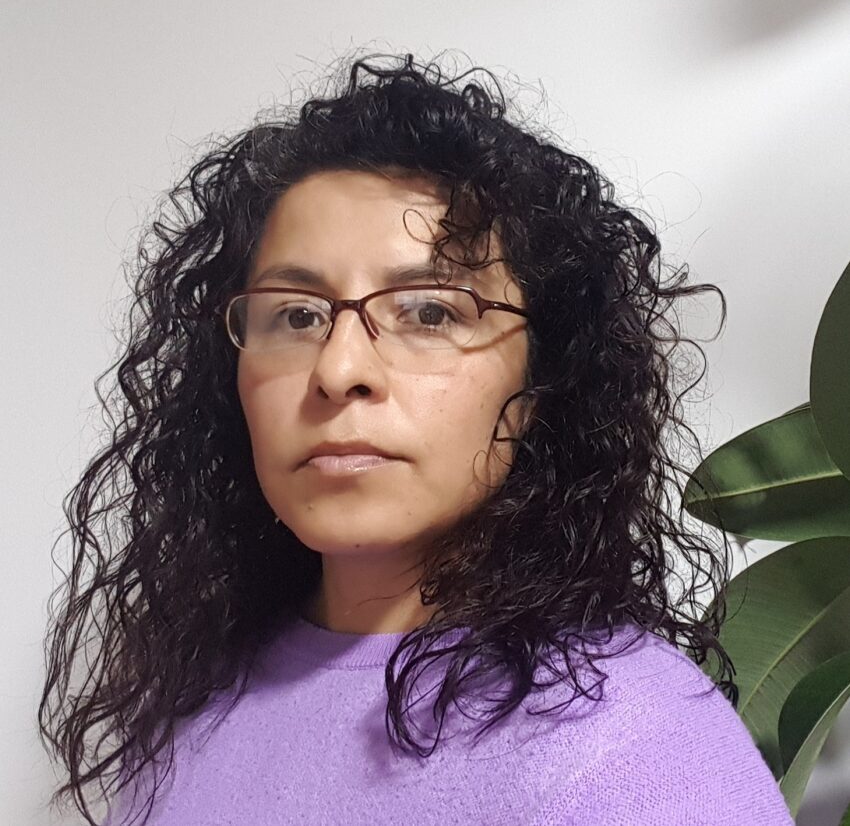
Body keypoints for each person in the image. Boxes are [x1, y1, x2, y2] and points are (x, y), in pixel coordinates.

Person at [38, 50, 795, 825]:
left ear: (539, 385)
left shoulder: (633, 745)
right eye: (295, 315)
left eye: (429, 311)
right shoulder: (187, 712)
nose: (337, 369)